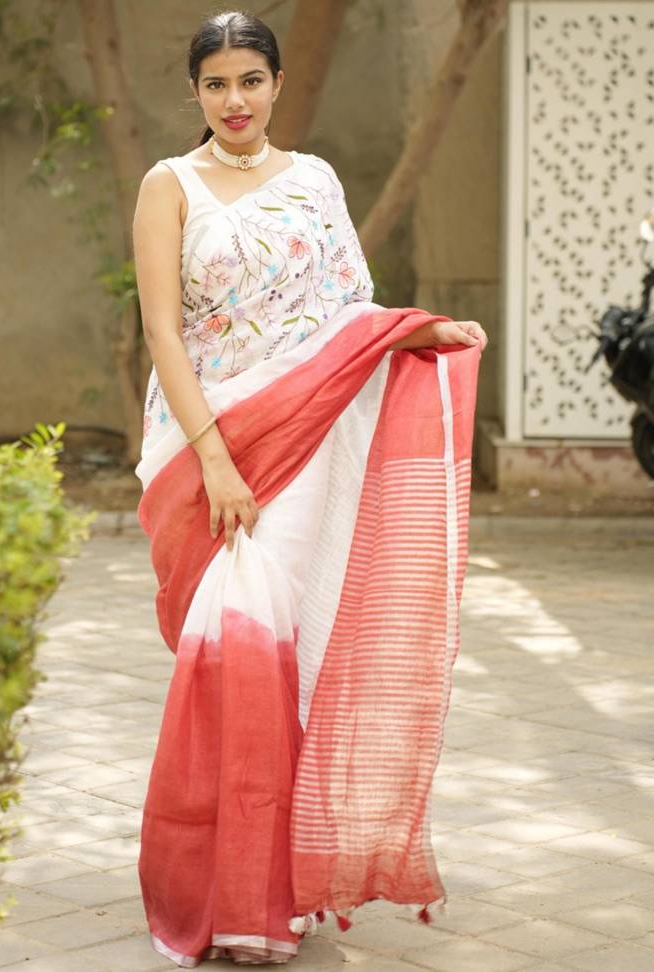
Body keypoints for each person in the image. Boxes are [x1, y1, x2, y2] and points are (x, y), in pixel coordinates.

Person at [131, 10, 487, 968]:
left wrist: (421, 331)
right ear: (196, 92)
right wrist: (215, 459)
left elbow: (347, 311)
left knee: (265, 656)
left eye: (250, 80)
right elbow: (163, 333)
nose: (234, 101)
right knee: (225, 652)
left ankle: (260, 896)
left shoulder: (315, 181)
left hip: (303, 439)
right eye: (216, 84)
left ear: (277, 84)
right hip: (208, 442)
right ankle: (207, 883)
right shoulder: (169, 185)